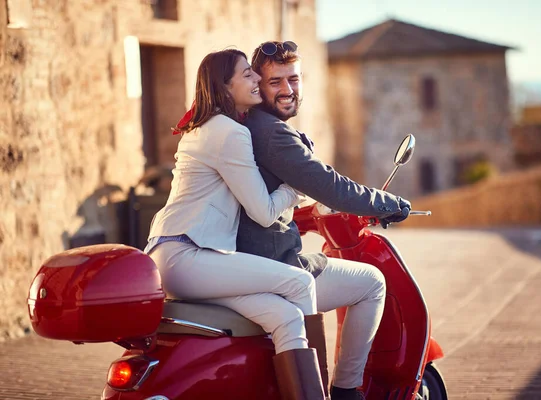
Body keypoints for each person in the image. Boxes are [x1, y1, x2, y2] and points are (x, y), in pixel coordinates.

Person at [145, 49, 326, 400]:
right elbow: (263, 211)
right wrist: (296, 187)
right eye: (247, 74)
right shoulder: (229, 132)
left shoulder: (206, 127)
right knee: (301, 282)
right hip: (188, 255)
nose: (257, 79)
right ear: (225, 88)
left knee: (285, 315)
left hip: (176, 254)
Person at [237, 41, 412, 399]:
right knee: (372, 283)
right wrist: (387, 203)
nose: (288, 90)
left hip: (244, 257)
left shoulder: (249, 125)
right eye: (276, 82)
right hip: (272, 265)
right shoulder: (273, 133)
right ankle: (347, 390)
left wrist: (299, 217)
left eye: (294, 79)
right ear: (258, 84)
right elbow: (330, 186)